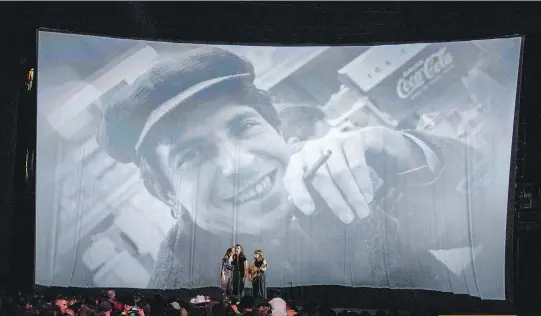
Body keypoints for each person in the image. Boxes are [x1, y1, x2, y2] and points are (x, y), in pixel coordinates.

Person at [97, 46, 498, 296]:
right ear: (168, 193)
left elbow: (490, 220)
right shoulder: (177, 295)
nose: (237, 165)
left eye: (243, 127)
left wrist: (401, 152)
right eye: (192, 156)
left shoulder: (338, 177)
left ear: (276, 131)